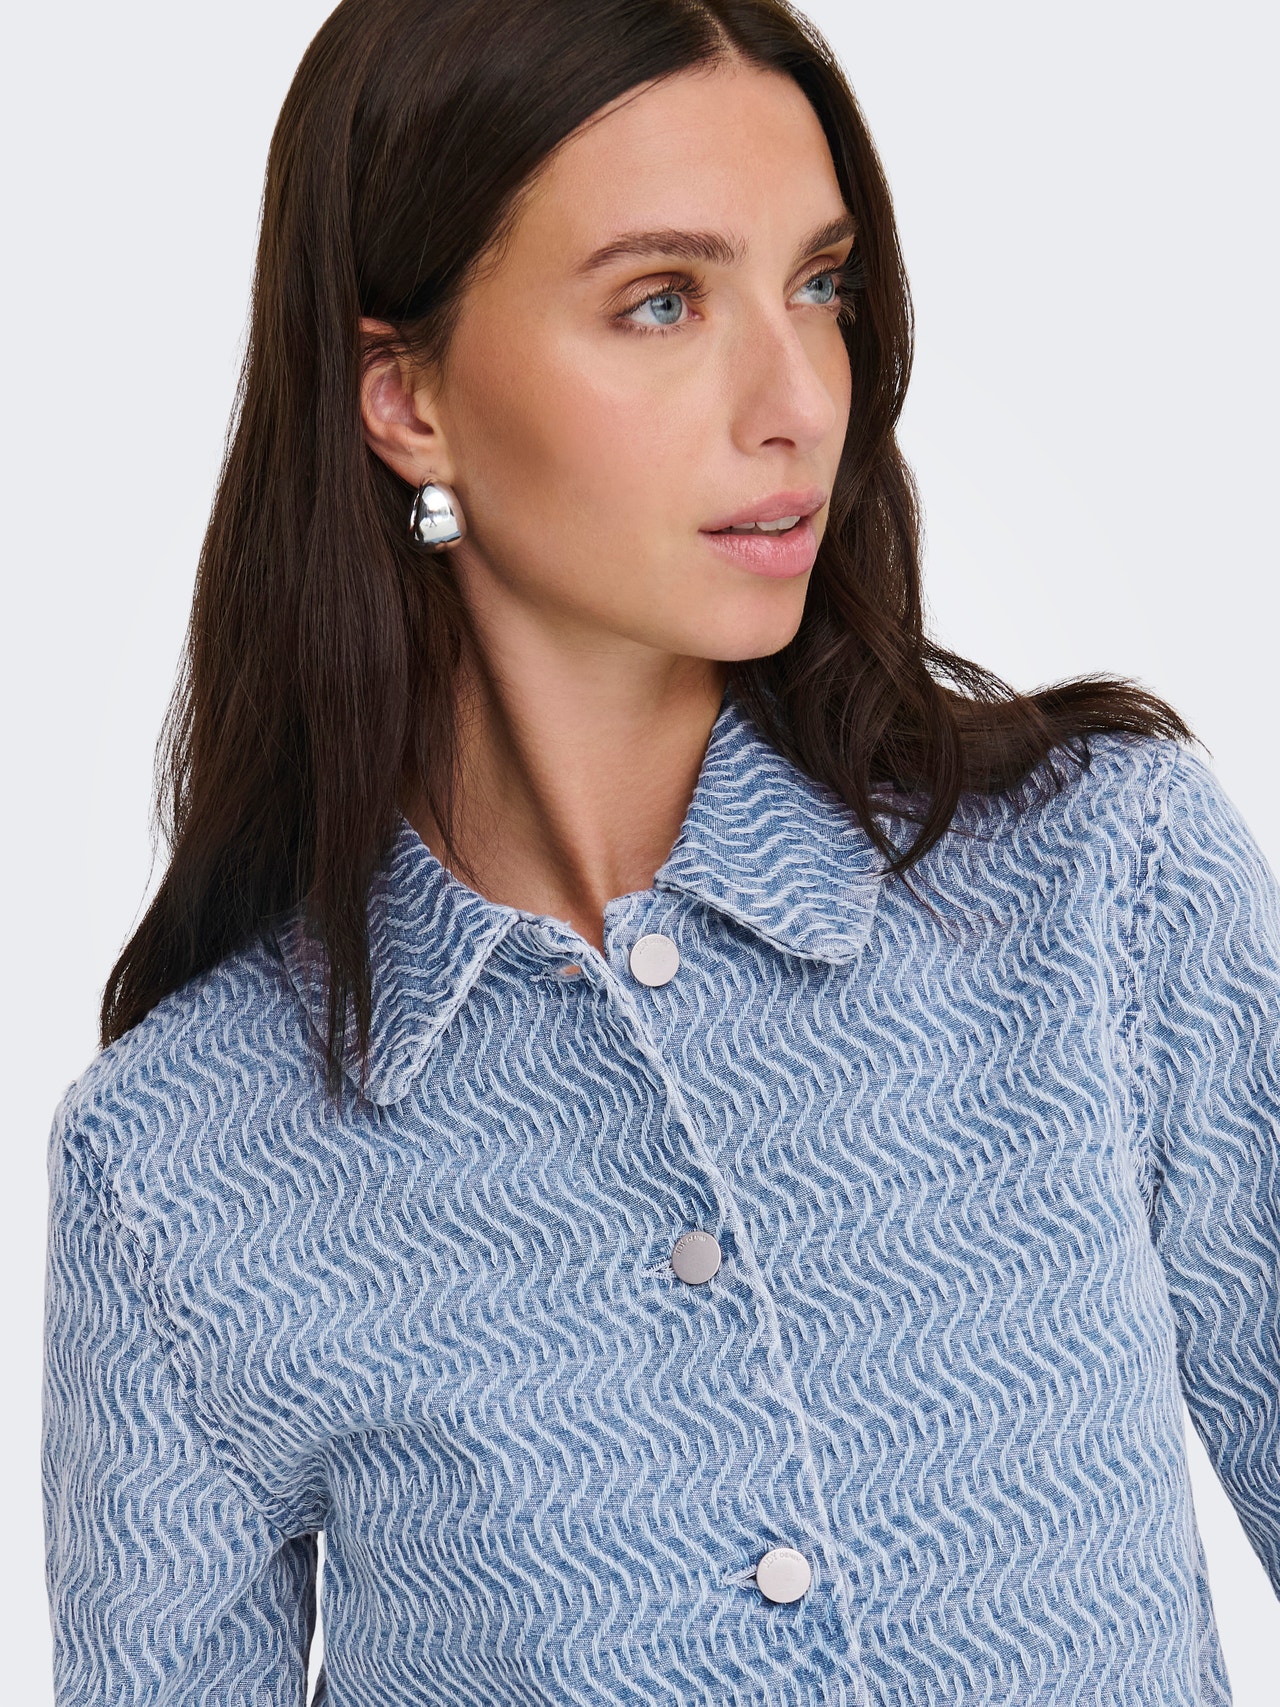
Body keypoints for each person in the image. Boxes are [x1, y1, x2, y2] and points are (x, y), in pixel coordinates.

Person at [40, 0, 1280, 1701]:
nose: (798, 400)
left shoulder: (1100, 890)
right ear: (405, 400)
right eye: (664, 301)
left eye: (821, 286)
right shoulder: (184, 1163)